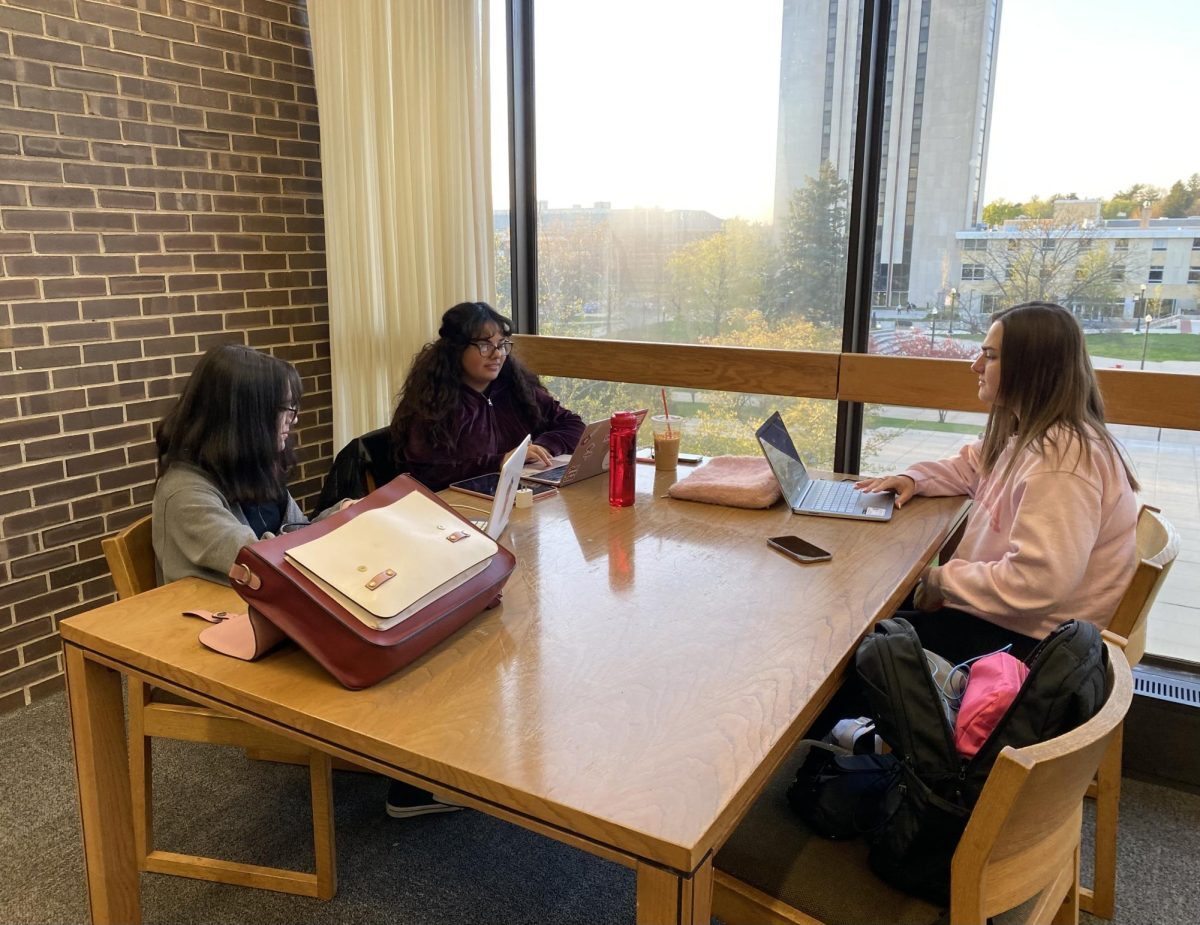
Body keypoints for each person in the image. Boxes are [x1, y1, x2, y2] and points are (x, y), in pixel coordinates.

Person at [154, 344, 453, 820]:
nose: (291, 421)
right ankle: (413, 772)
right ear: (244, 417)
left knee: (401, 621)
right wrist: (338, 525)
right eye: (283, 410)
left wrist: (347, 512)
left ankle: (416, 762)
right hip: (224, 644)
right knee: (376, 641)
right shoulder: (187, 493)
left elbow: (294, 532)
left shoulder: (251, 471)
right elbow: (271, 562)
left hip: (267, 618)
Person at [855, 301, 1139, 664]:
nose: (975, 366)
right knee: (873, 608)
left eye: (989, 356)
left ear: (1030, 368)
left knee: (857, 641)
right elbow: (974, 466)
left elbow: (1037, 583)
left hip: (1029, 646)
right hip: (1017, 621)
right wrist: (914, 478)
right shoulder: (1033, 435)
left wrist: (941, 581)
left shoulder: (1061, 462)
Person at [390, 301, 585, 491]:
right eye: (485, 345)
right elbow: (428, 473)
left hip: (519, 499)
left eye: (501, 345)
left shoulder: (515, 387)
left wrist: (543, 448)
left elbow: (574, 425)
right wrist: (501, 461)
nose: (497, 354)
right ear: (456, 350)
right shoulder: (432, 404)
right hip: (458, 511)